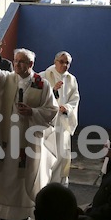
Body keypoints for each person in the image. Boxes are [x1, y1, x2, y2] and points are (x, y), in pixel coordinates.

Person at [0, 39, 58, 220]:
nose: (16, 64)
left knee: (23, 178)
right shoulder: (6, 79)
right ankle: (1, 213)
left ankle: (21, 214)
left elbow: (52, 111)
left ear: (31, 64)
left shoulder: (42, 84)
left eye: (21, 61)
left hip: (27, 141)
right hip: (6, 139)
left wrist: (33, 112)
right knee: (3, 177)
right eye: (15, 61)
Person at [40, 51, 80, 186]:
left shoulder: (71, 79)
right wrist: (53, 90)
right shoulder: (44, 75)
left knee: (62, 154)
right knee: (47, 153)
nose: (64, 65)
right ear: (55, 61)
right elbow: (37, 95)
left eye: (67, 63)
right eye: (61, 62)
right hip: (47, 122)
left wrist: (68, 107)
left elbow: (75, 98)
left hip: (62, 123)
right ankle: (44, 183)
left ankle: (59, 185)